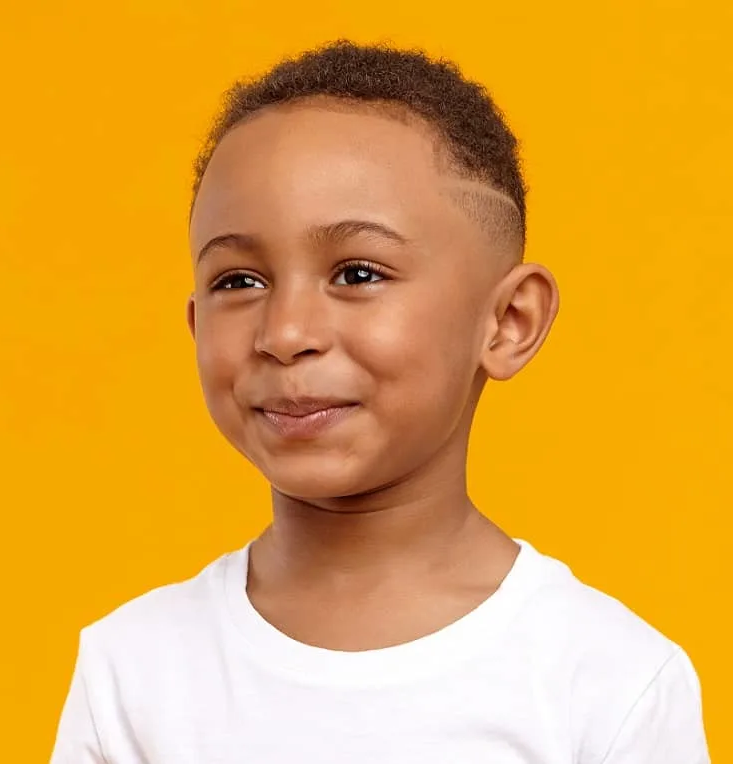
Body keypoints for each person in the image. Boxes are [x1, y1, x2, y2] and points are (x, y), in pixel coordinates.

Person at [50, 39, 710, 763]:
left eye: (357, 273)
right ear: (195, 323)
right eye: (238, 282)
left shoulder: (610, 685)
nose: (287, 333)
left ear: (508, 322)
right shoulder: (134, 673)